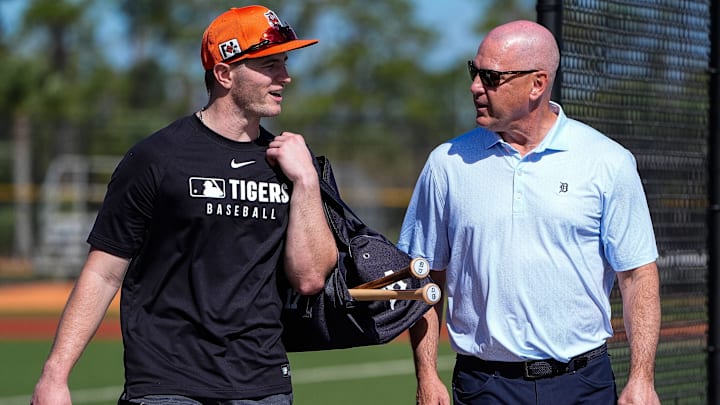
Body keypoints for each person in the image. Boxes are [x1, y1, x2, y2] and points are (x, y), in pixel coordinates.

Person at [31, 5, 337, 405]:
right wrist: (55, 375)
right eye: (269, 64)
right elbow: (104, 272)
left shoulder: (290, 163)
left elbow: (311, 278)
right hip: (167, 384)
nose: (285, 76)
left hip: (262, 386)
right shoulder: (156, 158)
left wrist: (307, 181)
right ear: (225, 74)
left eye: (284, 62)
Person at [400, 20, 661, 405]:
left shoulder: (608, 162)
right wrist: (426, 376)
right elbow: (423, 275)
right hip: (483, 386)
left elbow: (638, 275)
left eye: (491, 77)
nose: (475, 87)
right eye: (475, 72)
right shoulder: (446, 165)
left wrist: (642, 378)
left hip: (583, 386)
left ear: (537, 84)